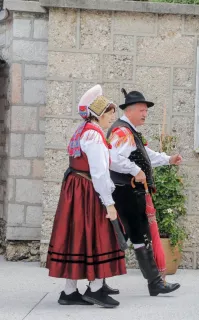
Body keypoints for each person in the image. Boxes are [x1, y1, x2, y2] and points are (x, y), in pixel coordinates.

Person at [46, 85, 126, 308]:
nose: (113, 118)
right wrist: (109, 203)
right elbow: (99, 172)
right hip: (88, 190)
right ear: (99, 114)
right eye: (110, 114)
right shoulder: (93, 135)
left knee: (77, 236)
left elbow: (108, 160)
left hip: (77, 189)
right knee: (99, 235)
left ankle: (69, 291)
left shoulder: (85, 130)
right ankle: (96, 290)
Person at [107, 89, 182, 296]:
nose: (145, 114)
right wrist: (135, 170)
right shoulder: (122, 131)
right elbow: (112, 159)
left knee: (136, 236)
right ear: (129, 110)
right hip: (126, 193)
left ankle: (154, 283)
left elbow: (144, 155)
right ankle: (153, 283)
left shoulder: (129, 131)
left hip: (131, 193)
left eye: (146, 111)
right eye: (141, 110)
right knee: (122, 237)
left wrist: (167, 159)